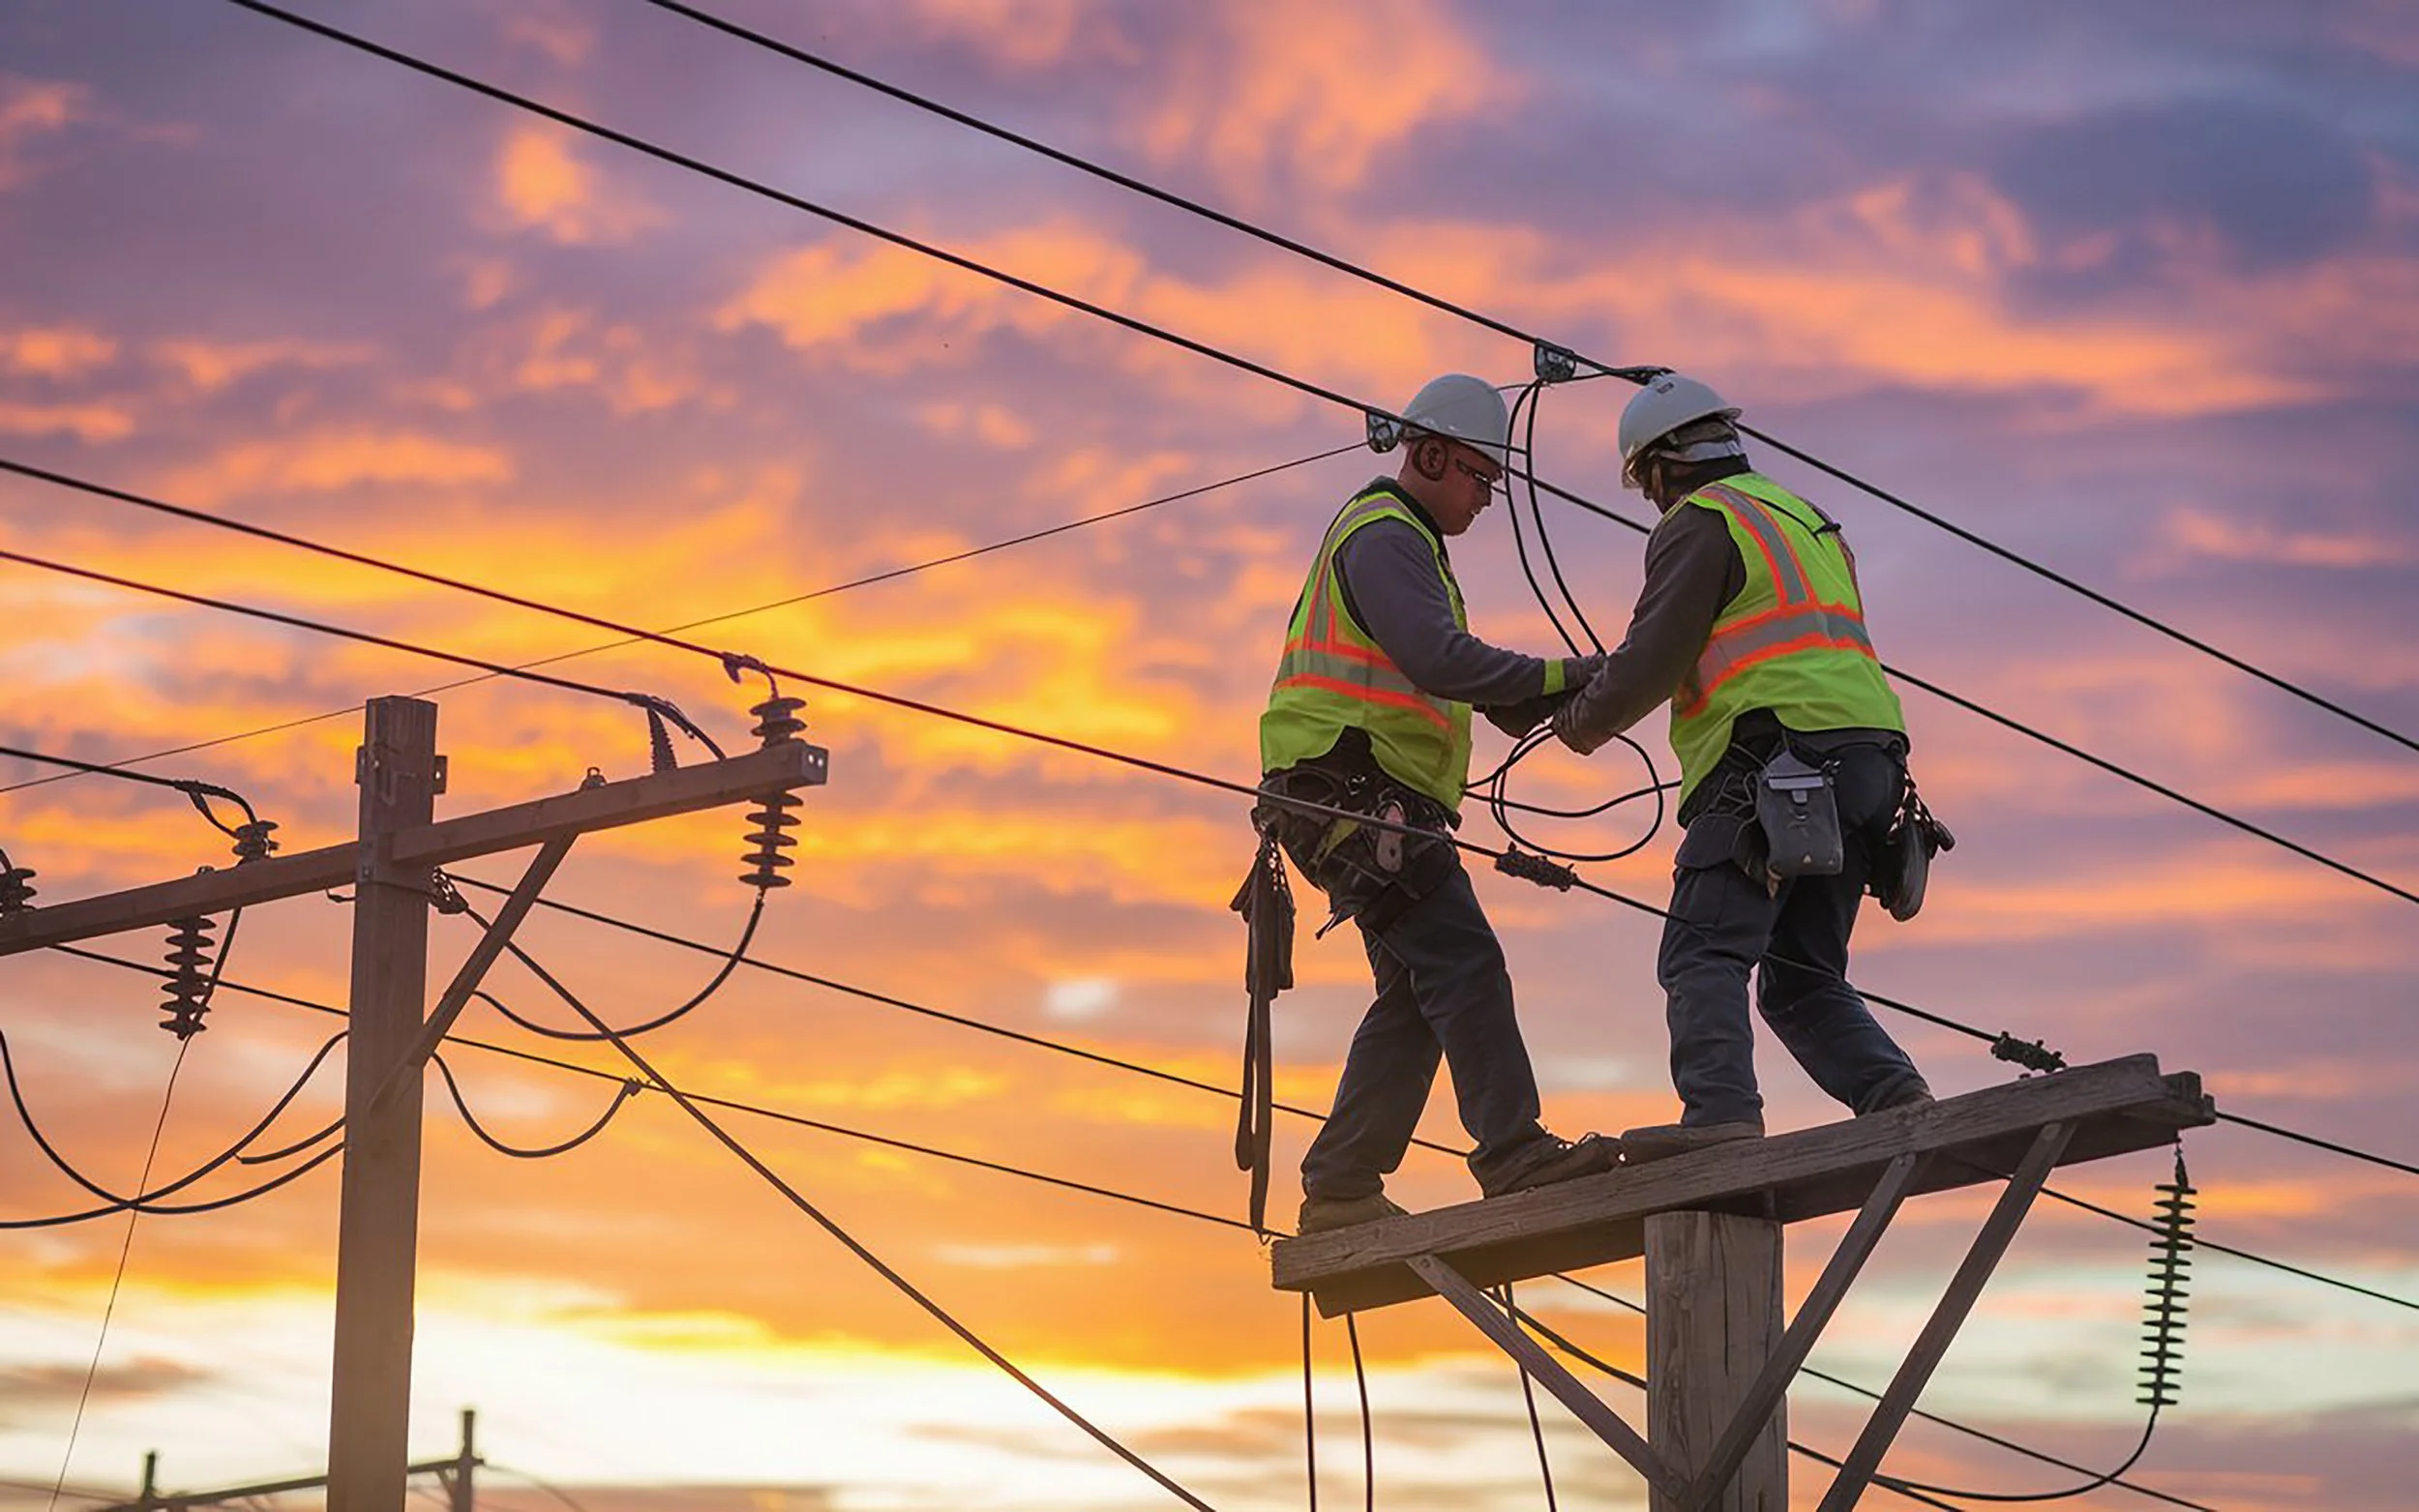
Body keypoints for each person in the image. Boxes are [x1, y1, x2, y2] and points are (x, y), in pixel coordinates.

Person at [1259, 372, 1617, 1233]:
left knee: (1421, 994)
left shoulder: (1407, 545)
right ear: (1428, 453)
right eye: (1478, 475)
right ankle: (1513, 1151)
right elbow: (1441, 659)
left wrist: (1551, 699)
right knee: (1464, 964)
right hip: (1357, 796)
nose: (1487, 496)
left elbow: (1454, 676)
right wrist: (1573, 673)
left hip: (1350, 800)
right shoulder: (1386, 535)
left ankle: (1342, 1185)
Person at [1552, 372, 1933, 1162]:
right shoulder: (1804, 516)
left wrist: (1578, 722)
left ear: (1661, 469)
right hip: (1870, 767)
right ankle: (1900, 1100)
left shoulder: (1700, 522)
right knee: (1801, 978)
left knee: (1701, 950)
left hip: (1773, 765)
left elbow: (1653, 660)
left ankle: (1719, 1114)